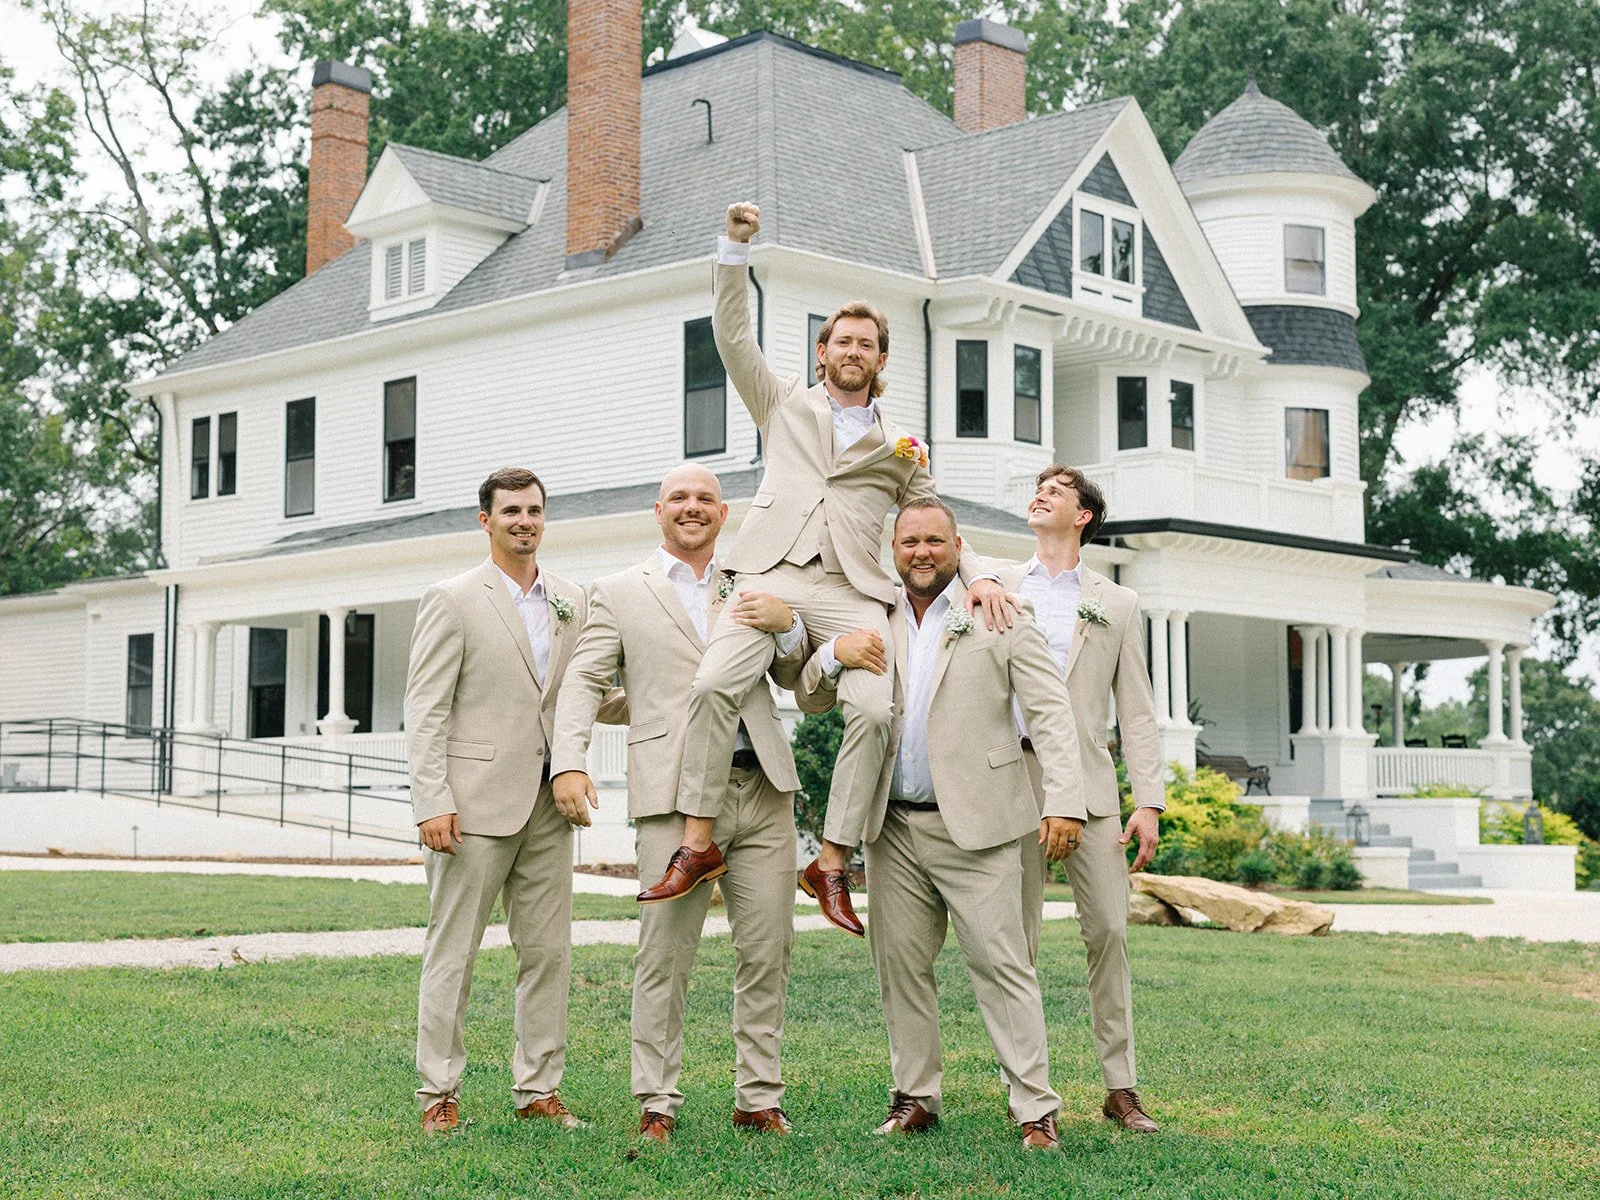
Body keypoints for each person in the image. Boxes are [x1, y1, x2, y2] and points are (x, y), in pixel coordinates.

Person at [643, 201, 1013, 936]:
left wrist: (982, 576)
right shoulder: (782, 403)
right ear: (822, 354)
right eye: (840, 340)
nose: (852, 350)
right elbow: (731, 334)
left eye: (866, 343)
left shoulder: (903, 446)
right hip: (770, 574)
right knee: (714, 684)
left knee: (877, 710)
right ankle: (696, 842)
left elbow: (932, 522)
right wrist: (733, 248)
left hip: (852, 591)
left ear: (881, 360)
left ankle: (834, 861)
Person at [794, 498, 1082, 1150]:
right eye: (909, 542)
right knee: (901, 968)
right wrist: (834, 653)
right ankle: (915, 1098)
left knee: (1003, 966)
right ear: (892, 550)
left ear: (957, 546)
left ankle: (1035, 1108)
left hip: (978, 826)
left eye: (934, 541)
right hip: (891, 827)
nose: (921, 552)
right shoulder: (868, 613)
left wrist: (1062, 800)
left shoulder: (998, 611)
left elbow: (1051, 713)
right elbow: (810, 694)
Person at [550, 464, 807, 1143]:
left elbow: (793, 668)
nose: (693, 508)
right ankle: (657, 1101)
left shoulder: (753, 582)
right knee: (664, 953)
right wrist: (568, 761)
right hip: (670, 796)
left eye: (706, 500)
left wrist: (788, 625)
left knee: (767, 949)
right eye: (680, 499)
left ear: (723, 515)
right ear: (658, 511)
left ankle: (758, 1097)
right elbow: (583, 681)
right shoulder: (618, 592)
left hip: (761, 787)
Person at [405, 467, 625, 1134]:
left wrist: (671, 696)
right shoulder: (451, 598)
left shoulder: (573, 599)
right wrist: (431, 801)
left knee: (548, 953)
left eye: (534, 510)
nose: (524, 521)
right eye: (511, 512)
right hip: (469, 809)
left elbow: (590, 692)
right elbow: (426, 710)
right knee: (454, 952)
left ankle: (538, 1090)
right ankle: (438, 1092)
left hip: (549, 806)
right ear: (486, 521)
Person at [985, 464, 1164, 1133]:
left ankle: (1120, 1087)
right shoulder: (996, 584)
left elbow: (1137, 711)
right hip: (1011, 780)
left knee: (1110, 932)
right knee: (1015, 939)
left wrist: (1148, 800)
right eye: (1038, 489)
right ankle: (1023, 1086)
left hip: (1090, 787)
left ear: (1084, 515)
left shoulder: (1116, 602)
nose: (1040, 496)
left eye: (1056, 492)